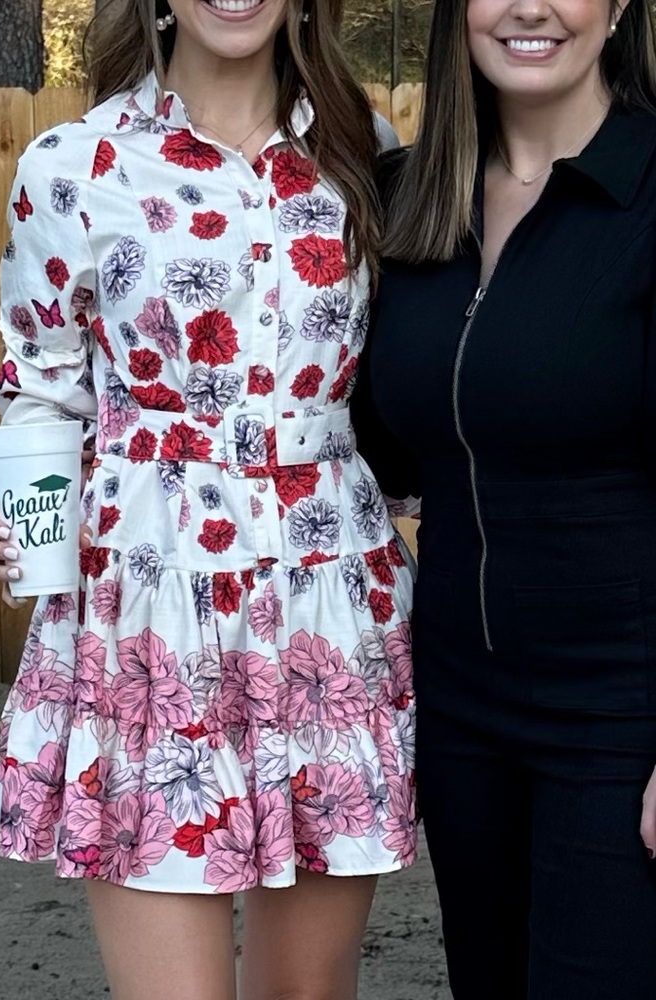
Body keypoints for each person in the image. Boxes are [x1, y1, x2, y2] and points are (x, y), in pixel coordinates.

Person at [0, 1, 417, 997]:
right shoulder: (73, 165)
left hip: (325, 612)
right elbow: (38, 388)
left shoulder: (366, 156)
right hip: (149, 619)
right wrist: (8, 508)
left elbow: (407, 373)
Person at [353, 0, 656, 996]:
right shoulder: (405, 204)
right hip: (457, 703)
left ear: (616, 7)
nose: (528, 6)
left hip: (622, 705)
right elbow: (318, 428)